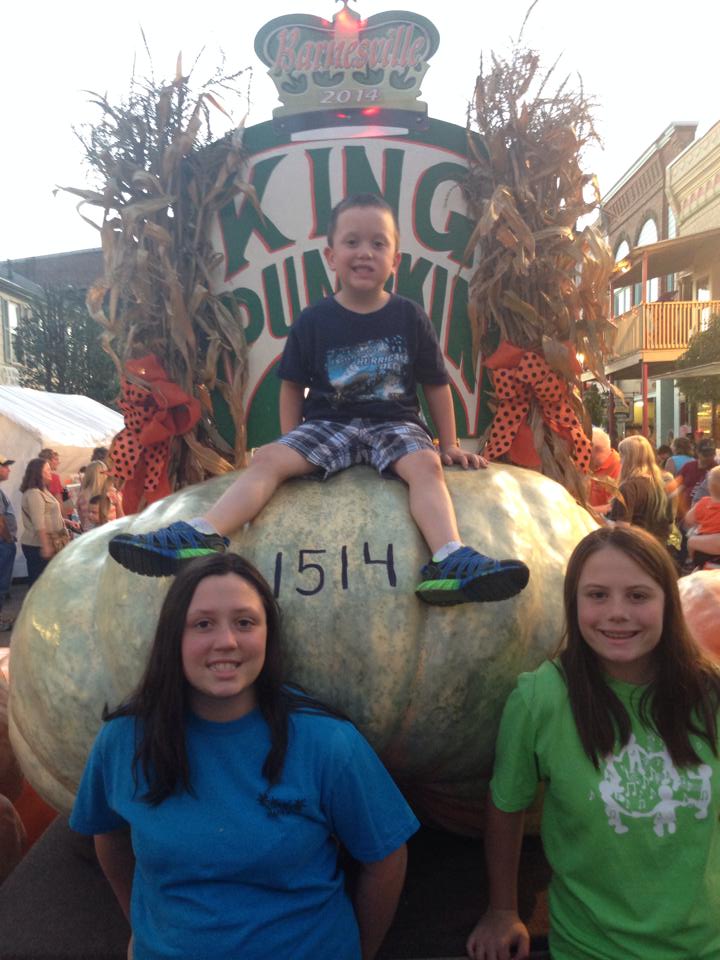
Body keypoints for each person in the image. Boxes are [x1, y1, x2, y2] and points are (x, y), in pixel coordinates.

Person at [108, 194, 529, 606]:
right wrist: (290, 441)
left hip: (395, 422)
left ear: (395, 260)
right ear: (331, 256)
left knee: (426, 466)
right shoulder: (314, 320)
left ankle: (448, 556)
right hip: (329, 424)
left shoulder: (409, 316)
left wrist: (449, 444)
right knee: (268, 459)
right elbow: (292, 385)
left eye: (378, 243)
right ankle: (203, 532)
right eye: (352, 242)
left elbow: (436, 383)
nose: (364, 252)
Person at [70, 552, 419, 960]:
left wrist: (360, 952)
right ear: (173, 636)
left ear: (268, 634)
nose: (227, 641)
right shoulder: (124, 740)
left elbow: (385, 858)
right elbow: (108, 837)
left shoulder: (327, 742)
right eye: (203, 624)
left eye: (245, 622)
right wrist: (143, 928)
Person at [466, 525, 720, 960]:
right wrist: (502, 909)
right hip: (590, 948)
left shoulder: (711, 695)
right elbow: (507, 803)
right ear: (573, 602)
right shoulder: (539, 699)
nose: (617, 612)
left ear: (668, 602)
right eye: (597, 595)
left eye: (638, 596)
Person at [608, 434, 674, 544]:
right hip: (658, 549)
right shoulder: (662, 485)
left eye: (622, 456)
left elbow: (622, 531)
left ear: (629, 459)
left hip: (635, 549)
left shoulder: (628, 488)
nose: (620, 461)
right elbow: (669, 522)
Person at [19, 458, 67, 586]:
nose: (51, 472)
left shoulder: (43, 491)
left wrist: (65, 522)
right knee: (38, 583)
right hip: (37, 545)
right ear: (38, 473)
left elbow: (49, 514)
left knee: (47, 581)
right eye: (48, 470)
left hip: (46, 542)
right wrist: (46, 546)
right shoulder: (34, 493)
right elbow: (38, 522)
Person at [685, 465, 720, 563]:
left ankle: (692, 561)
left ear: (708, 487)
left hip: (702, 550)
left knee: (691, 540)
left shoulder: (704, 502)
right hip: (714, 550)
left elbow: (689, 519)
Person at [0, 456, 17, 632]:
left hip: (3, 543)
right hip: (2, 543)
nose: (8, 469)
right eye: (5, 466)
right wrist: (8, 538)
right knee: (1, 583)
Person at [587, 427, 620, 511]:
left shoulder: (619, 467)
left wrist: (586, 511)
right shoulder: (589, 465)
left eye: (585, 447)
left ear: (595, 449)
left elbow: (615, 507)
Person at [76, 461, 110, 531]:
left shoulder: (82, 496)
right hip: (110, 532)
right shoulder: (112, 494)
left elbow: (82, 522)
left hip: (90, 533)